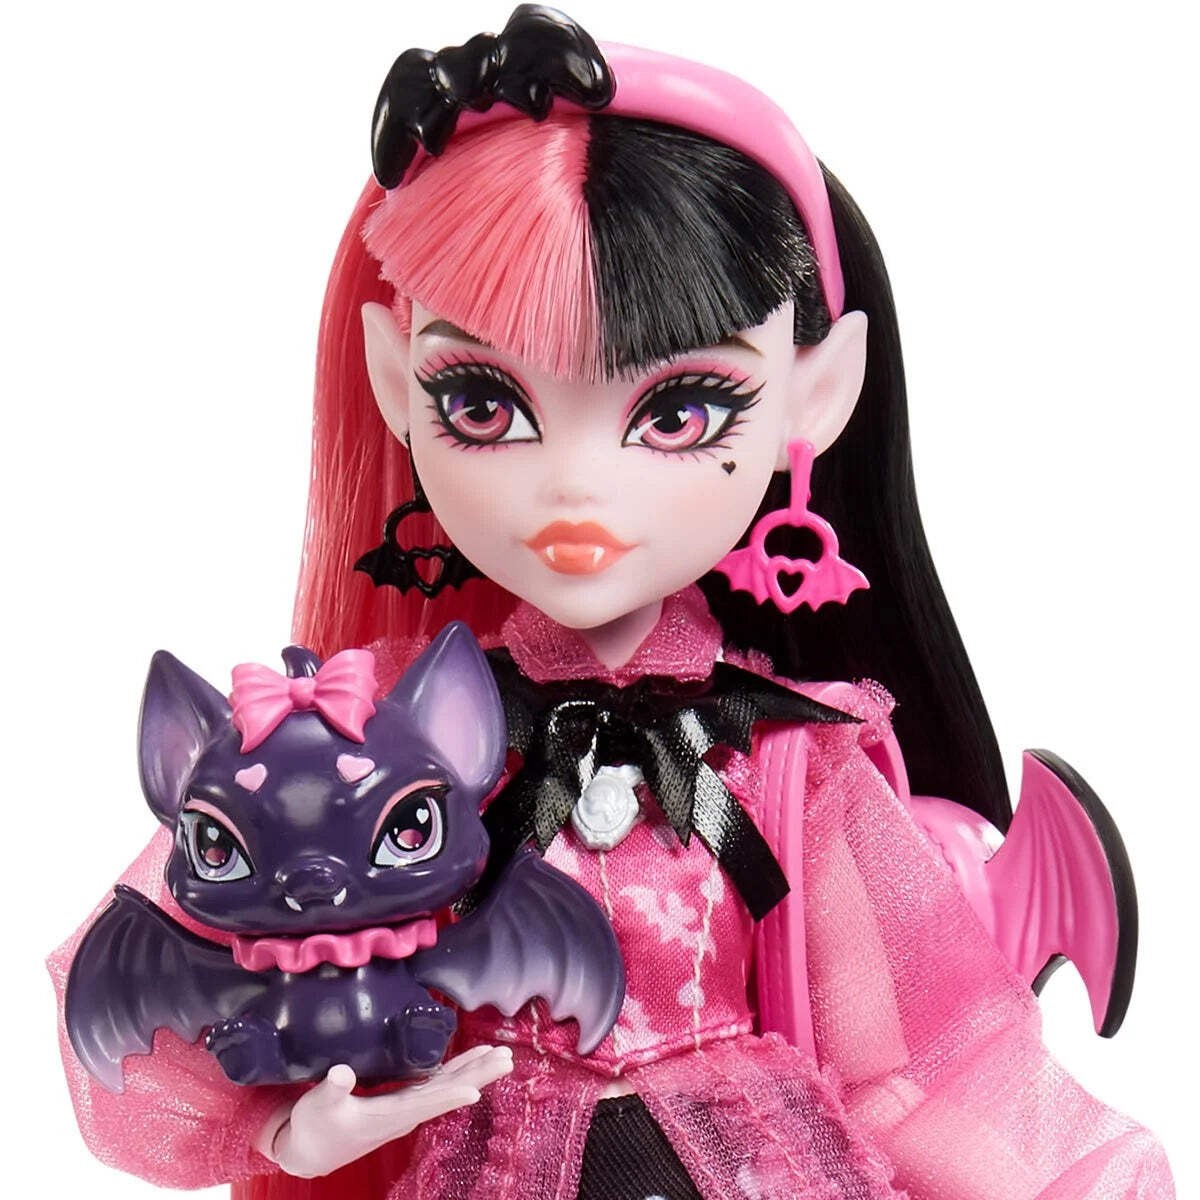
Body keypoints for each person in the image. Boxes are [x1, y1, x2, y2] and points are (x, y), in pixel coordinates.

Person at [49, 7, 1175, 1198]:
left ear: (817, 392)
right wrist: (285, 1129)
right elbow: (172, 976)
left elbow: (915, 1067)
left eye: (679, 412)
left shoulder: (792, 756)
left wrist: (1077, 1178)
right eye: (485, 404)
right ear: (393, 378)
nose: (575, 488)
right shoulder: (382, 742)